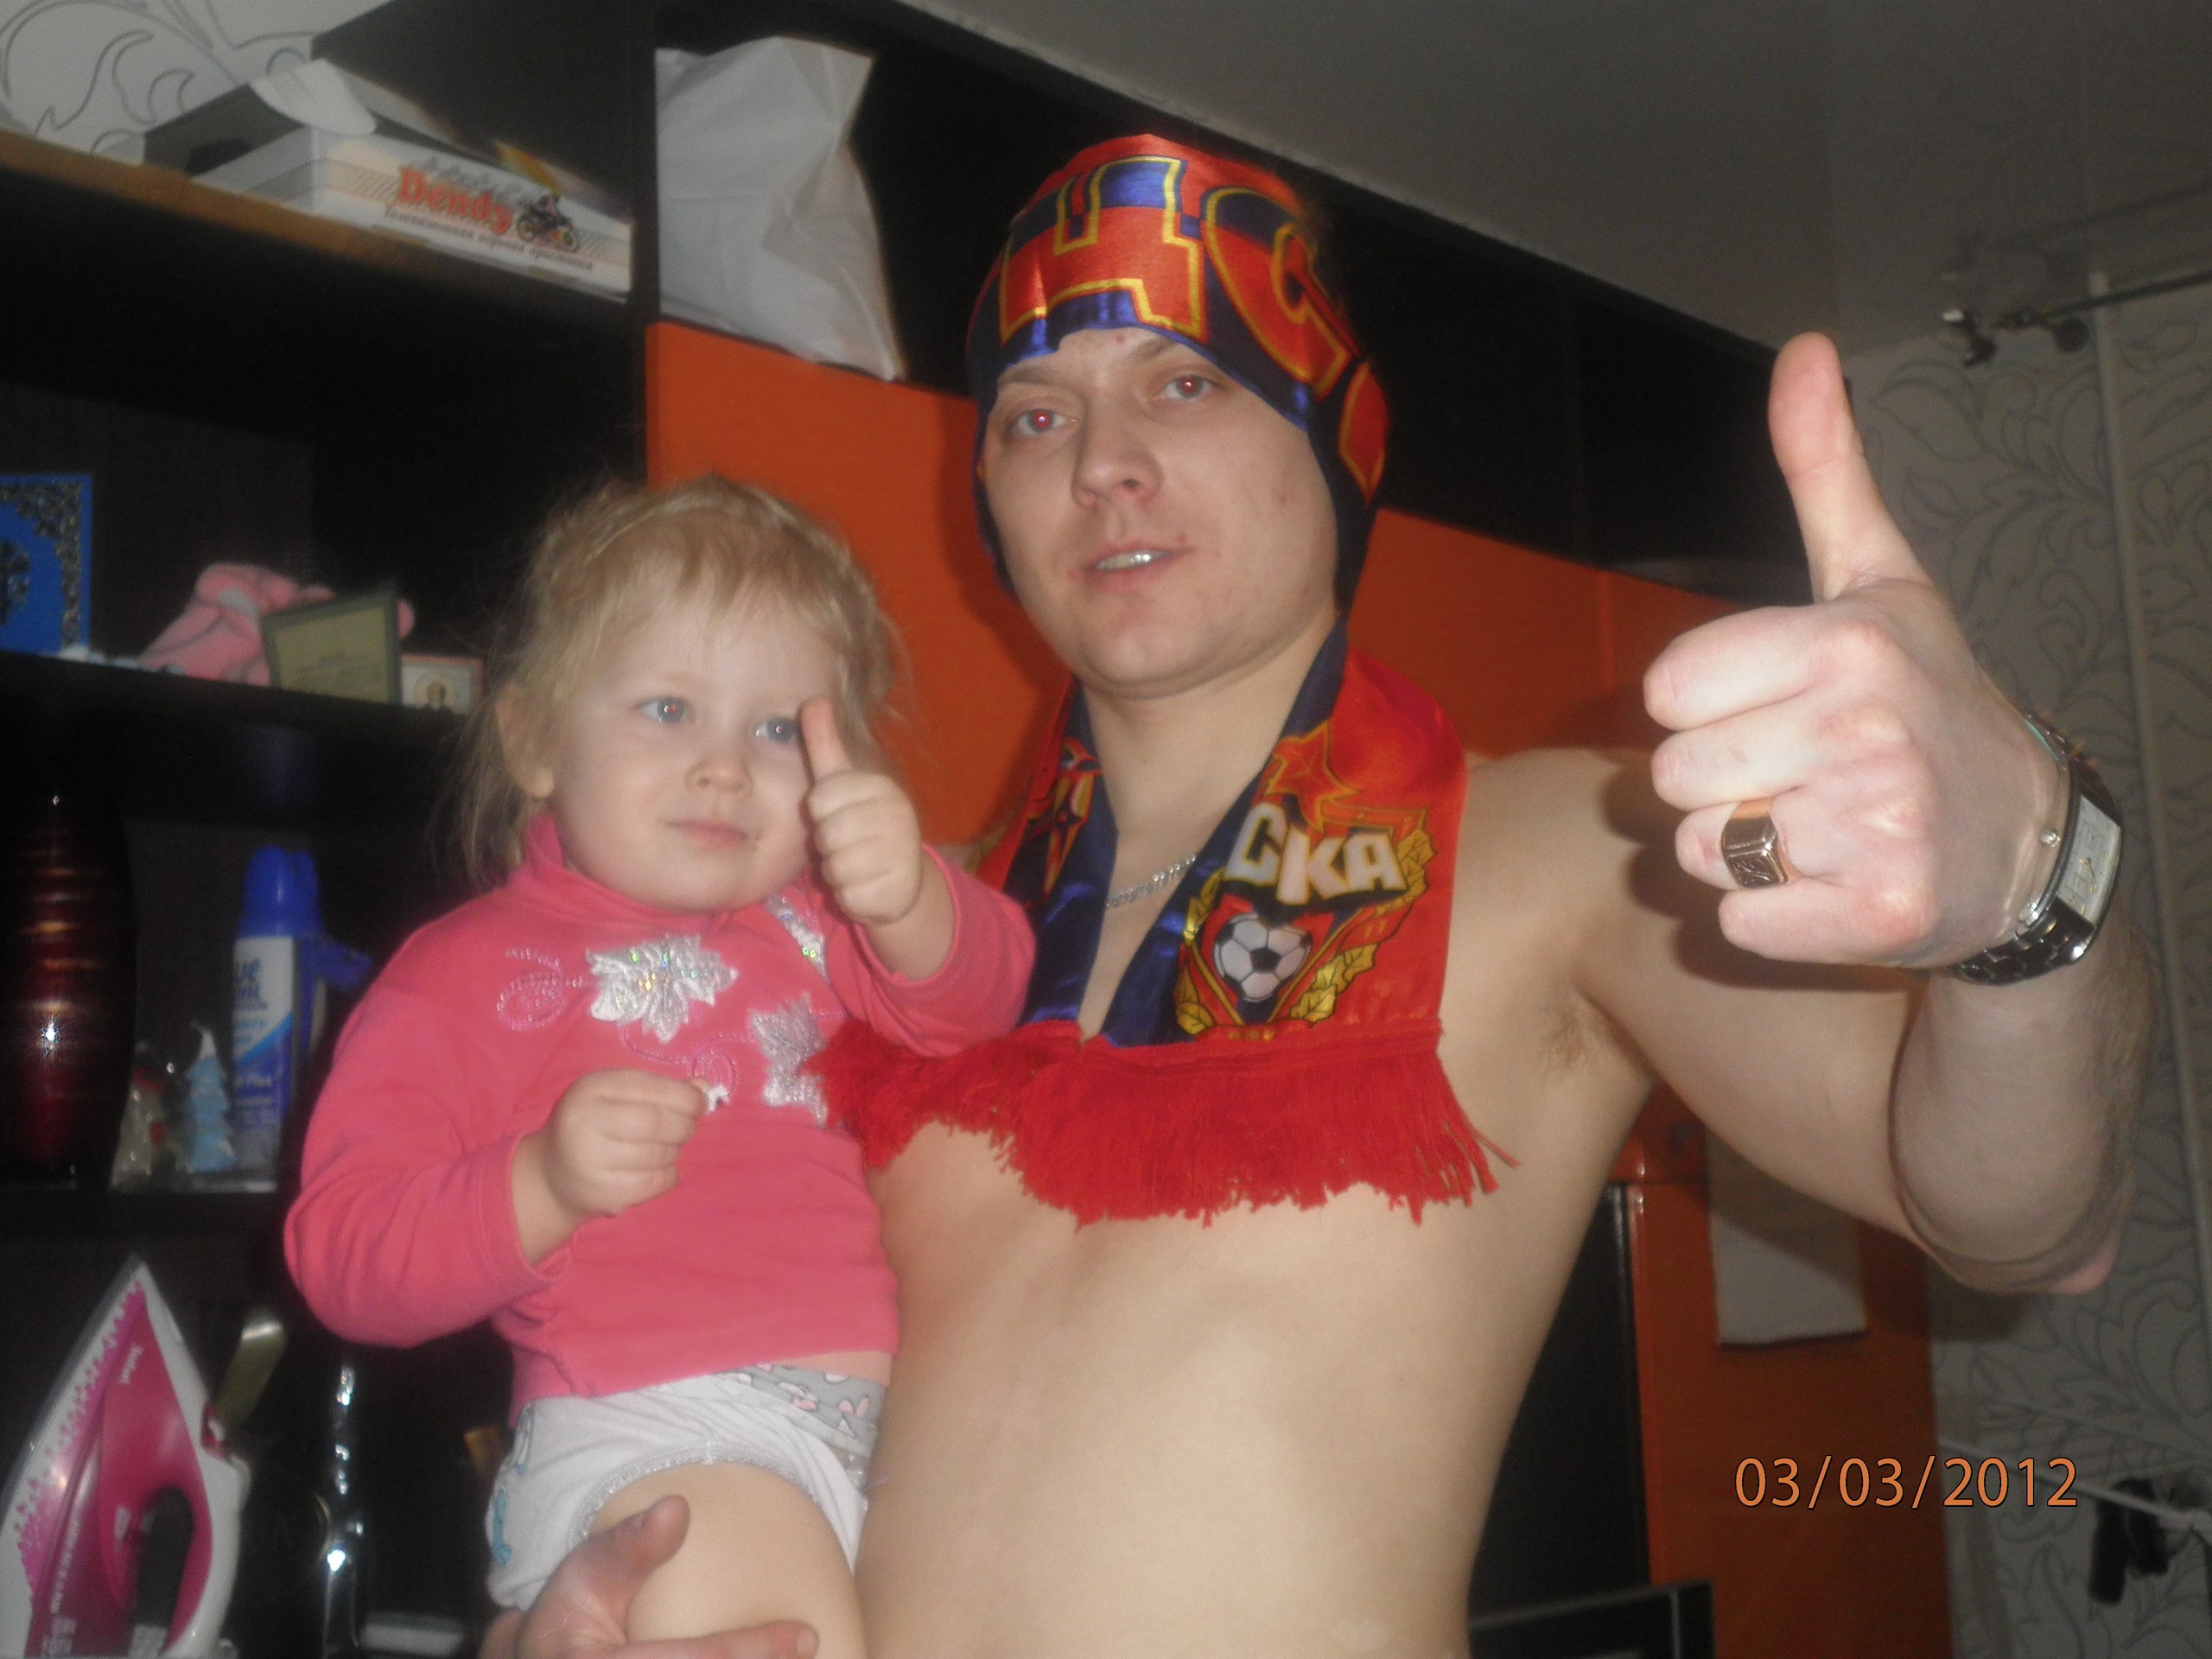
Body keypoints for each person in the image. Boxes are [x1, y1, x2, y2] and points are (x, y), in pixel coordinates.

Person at [495, 137, 2151, 1659]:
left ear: (1333, 427)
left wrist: (2029, 875)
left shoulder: (1566, 846)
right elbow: (653, 1368)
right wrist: (553, 1616)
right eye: (1037, 415)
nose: (1106, 465)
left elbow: (2027, 1220)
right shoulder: (871, 944)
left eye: (1186, 381)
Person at [284, 480, 1033, 1653]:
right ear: (534, 740)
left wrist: (913, 901)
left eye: (778, 729)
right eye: (669, 709)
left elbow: (982, 1005)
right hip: (652, 1434)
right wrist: (539, 1184)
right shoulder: (463, 971)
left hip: (870, 1445)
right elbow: (343, 1256)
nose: (725, 767)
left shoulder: (821, 923)